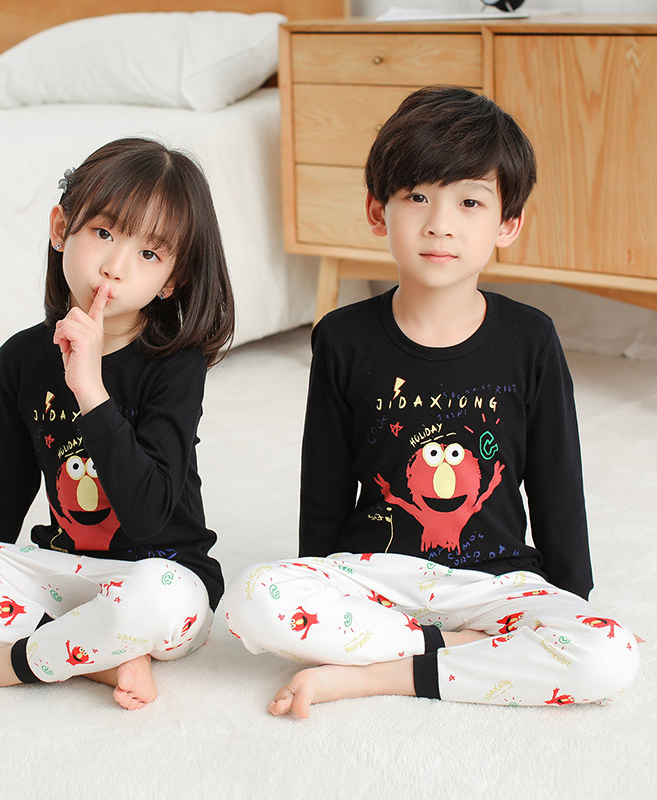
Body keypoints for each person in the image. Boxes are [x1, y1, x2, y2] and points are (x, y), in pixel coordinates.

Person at [224, 86, 640, 717]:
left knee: (610, 655)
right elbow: (325, 484)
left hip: (495, 583)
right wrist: (319, 580)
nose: (440, 223)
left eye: (470, 201)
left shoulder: (531, 338)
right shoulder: (342, 337)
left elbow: (558, 484)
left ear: (508, 224)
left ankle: (376, 674)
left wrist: (570, 605)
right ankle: (457, 653)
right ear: (377, 211)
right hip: (375, 574)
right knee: (253, 597)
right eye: (417, 197)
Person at [0, 138, 235, 709]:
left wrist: (89, 388)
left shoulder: (176, 365)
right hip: (62, 573)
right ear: (61, 228)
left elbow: (147, 517)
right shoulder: (21, 358)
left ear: (171, 280)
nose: (115, 267)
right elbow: (0, 495)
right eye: (104, 233)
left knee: (159, 599)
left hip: (161, 575)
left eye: (148, 254)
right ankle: (98, 658)